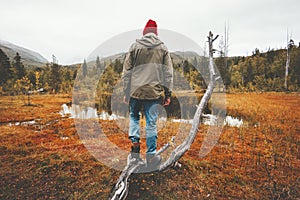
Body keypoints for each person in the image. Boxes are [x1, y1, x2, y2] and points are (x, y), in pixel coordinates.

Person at [122, 19, 173, 169]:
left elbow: (126, 73)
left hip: (135, 92)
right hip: (154, 93)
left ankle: (135, 152)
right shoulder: (163, 48)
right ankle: (151, 156)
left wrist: (126, 92)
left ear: (144, 32)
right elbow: (168, 73)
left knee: (134, 117)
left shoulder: (134, 46)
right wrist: (168, 94)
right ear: (156, 33)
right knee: (151, 123)